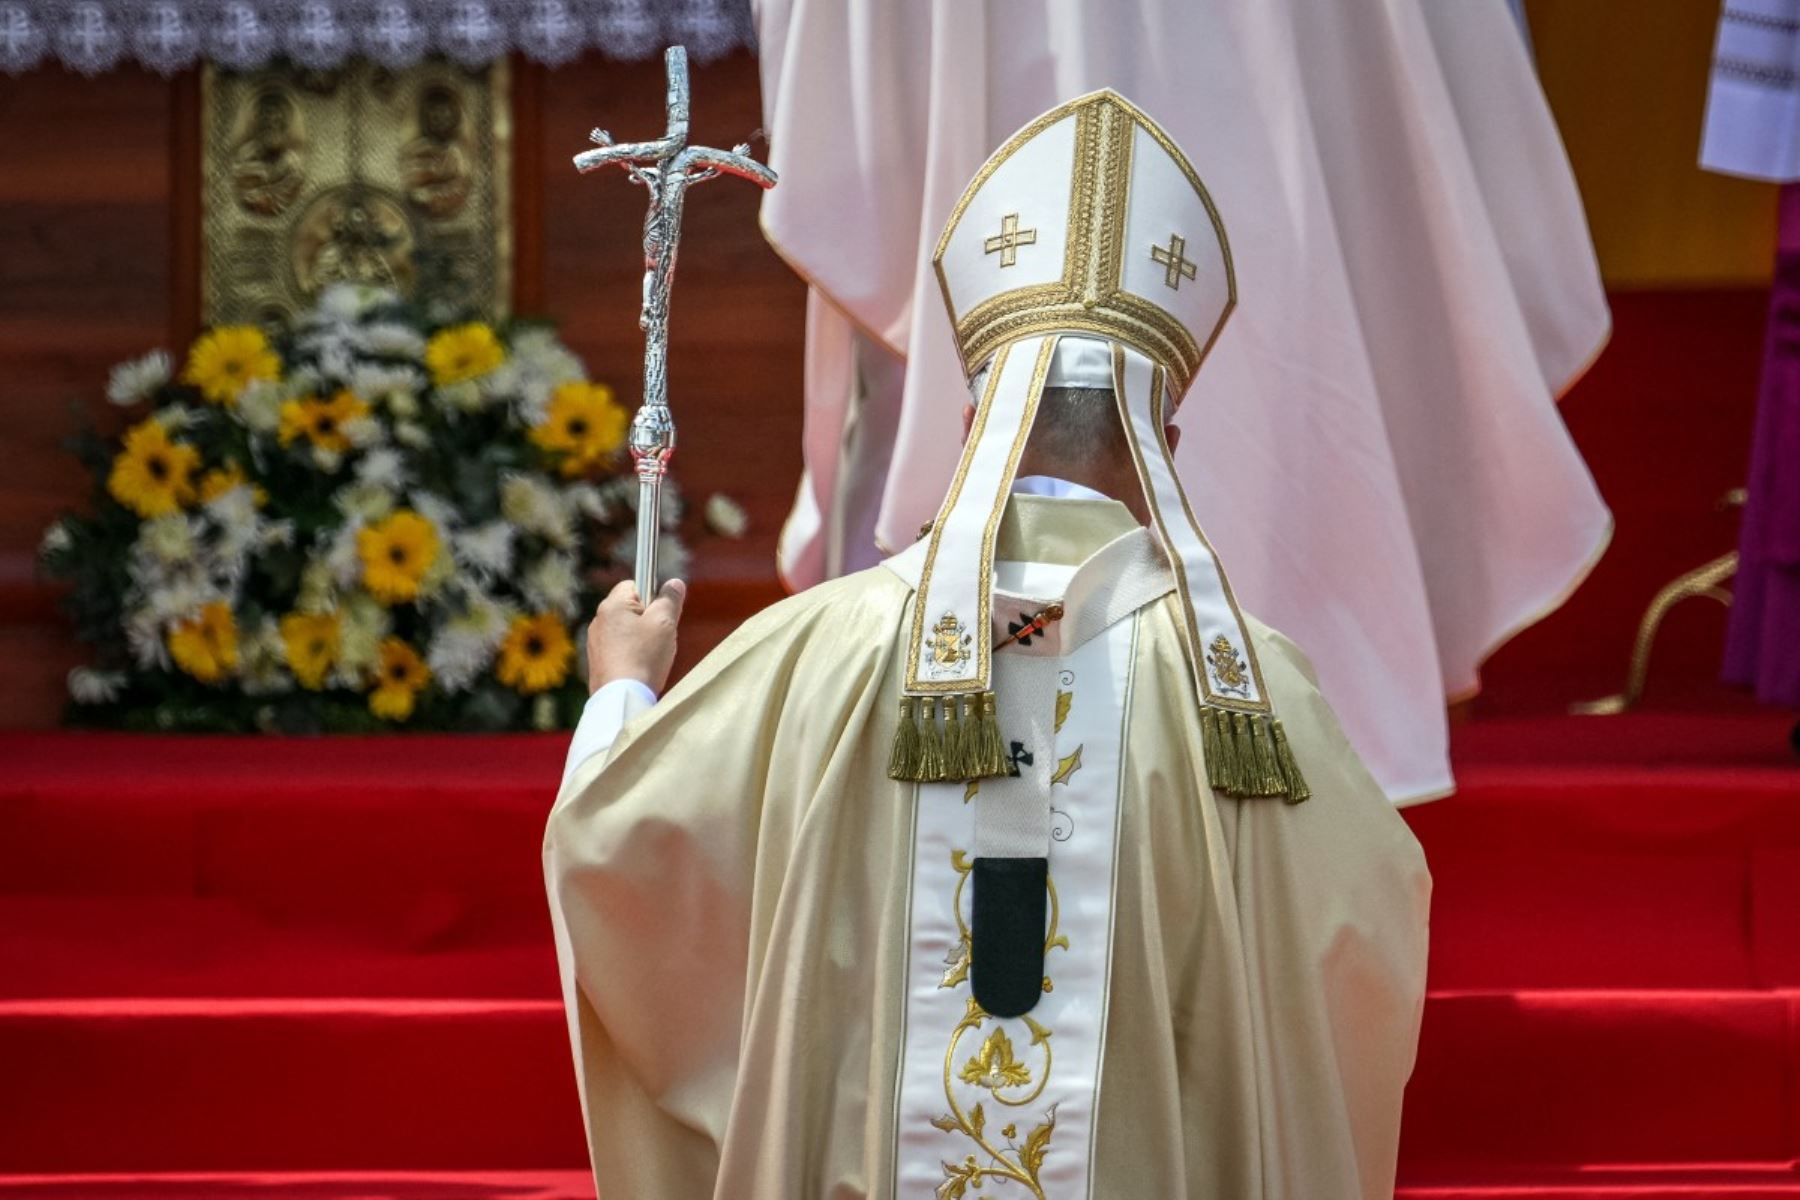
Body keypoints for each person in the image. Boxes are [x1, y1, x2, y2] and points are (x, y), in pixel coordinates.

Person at [546, 91, 1430, 1199]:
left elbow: (629, 858)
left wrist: (622, 694)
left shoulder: (815, 649)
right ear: (1167, 437)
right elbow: (1362, 948)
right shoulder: (1252, 699)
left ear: (975, 423)